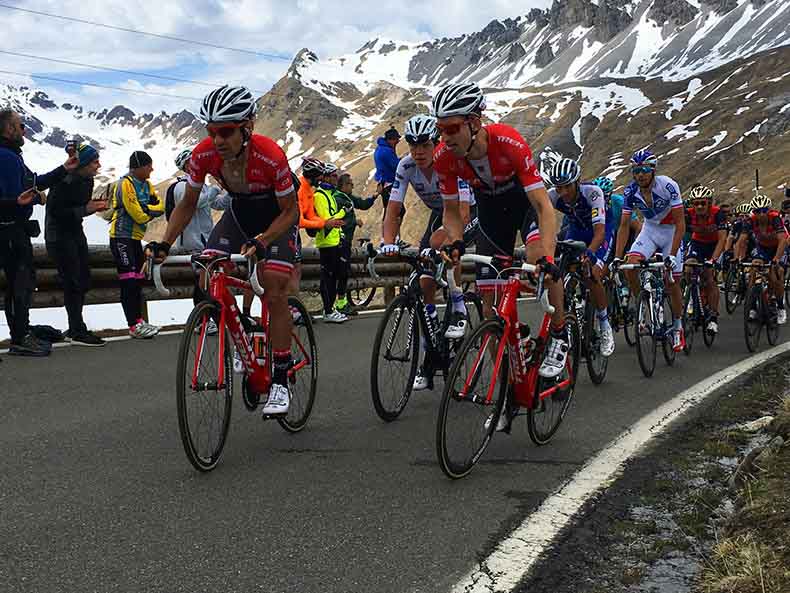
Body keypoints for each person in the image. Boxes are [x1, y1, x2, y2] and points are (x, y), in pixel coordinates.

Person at [150, 85, 299, 416]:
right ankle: (243, 331)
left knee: (273, 288)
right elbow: (187, 204)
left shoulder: (270, 154)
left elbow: (291, 211)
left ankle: (280, 378)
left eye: (227, 131)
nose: (218, 140)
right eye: (212, 131)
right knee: (208, 271)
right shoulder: (203, 154)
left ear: (247, 128)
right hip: (239, 214)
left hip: (277, 218)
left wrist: (263, 240)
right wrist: (163, 243)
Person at [431, 82, 567, 381]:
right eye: (440, 129)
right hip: (492, 214)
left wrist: (547, 254)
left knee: (539, 261)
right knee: (490, 309)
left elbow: (544, 207)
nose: (444, 137)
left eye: (451, 128)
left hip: (525, 206)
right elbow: (452, 212)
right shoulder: (443, 157)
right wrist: (454, 240)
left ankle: (560, 333)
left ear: (474, 122)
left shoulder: (509, 142)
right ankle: (505, 384)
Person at [381, 113, 477, 390]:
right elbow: (393, 210)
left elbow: (461, 212)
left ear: (436, 143)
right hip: (440, 213)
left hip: (467, 211)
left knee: (441, 246)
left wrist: (446, 240)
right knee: (424, 283)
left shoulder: (450, 161)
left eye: (424, 145)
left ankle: (458, 304)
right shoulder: (406, 165)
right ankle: (430, 352)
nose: (418, 151)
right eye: (412, 145)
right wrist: (388, 241)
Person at [0, 108, 78, 356]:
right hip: (11, 232)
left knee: (19, 283)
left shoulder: (11, 156)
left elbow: (34, 184)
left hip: (12, 231)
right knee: (20, 283)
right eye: (21, 126)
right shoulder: (7, 157)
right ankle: (20, 337)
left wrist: (64, 168)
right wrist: (33, 199)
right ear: (10, 130)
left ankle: (21, 331)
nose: (24, 130)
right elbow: (20, 195)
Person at [613, 149, 686, 352]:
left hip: (671, 232)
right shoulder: (630, 191)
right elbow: (625, 225)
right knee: (629, 267)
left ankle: (678, 327)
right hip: (650, 230)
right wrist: (618, 257)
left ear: (653, 170)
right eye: (635, 171)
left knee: (672, 282)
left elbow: (681, 224)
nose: (640, 175)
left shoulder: (669, 186)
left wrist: (671, 254)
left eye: (644, 170)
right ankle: (642, 308)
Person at [548, 159, 614, 357]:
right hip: (575, 232)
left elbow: (600, 232)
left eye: (568, 186)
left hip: (600, 232)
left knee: (591, 273)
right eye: (559, 188)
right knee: (558, 271)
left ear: (577, 182)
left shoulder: (593, 193)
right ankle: (569, 308)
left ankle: (604, 324)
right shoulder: (552, 196)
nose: (564, 192)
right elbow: (541, 220)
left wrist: (590, 253)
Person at [45, 144, 108, 346]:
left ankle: (76, 327)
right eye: (94, 162)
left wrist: (90, 208)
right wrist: (85, 209)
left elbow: (80, 208)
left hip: (75, 232)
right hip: (58, 236)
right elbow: (56, 212)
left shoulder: (87, 180)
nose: (98, 165)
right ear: (83, 164)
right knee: (72, 280)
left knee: (83, 279)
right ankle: (76, 329)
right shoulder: (63, 180)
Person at [169, 148, 230, 324]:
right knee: (201, 282)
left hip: (205, 240)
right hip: (191, 241)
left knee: (207, 281)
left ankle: (206, 318)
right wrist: (214, 190)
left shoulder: (202, 185)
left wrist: (230, 193)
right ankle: (203, 320)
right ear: (187, 165)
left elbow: (217, 204)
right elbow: (194, 203)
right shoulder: (181, 186)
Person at [109, 150, 165, 339]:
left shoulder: (147, 185)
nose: (152, 169)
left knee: (138, 279)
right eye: (149, 165)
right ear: (139, 167)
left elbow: (161, 207)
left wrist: (146, 208)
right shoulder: (125, 184)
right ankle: (133, 325)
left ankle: (139, 321)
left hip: (135, 238)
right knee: (129, 281)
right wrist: (149, 211)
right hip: (120, 237)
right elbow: (138, 215)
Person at [333, 172, 378, 316]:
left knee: (343, 272)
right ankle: (338, 304)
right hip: (339, 241)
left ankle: (341, 303)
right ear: (344, 185)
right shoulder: (338, 199)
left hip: (345, 241)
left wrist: (376, 195)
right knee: (340, 273)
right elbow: (337, 221)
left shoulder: (349, 198)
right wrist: (354, 222)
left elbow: (363, 204)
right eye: (350, 184)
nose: (352, 186)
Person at [684, 185, 727, 334]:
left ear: (709, 203)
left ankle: (714, 318)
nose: (700, 206)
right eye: (696, 203)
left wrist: (713, 260)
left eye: (703, 203)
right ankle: (691, 295)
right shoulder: (688, 214)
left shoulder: (718, 214)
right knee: (688, 268)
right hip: (698, 244)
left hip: (714, 245)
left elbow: (722, 239)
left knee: (709, 277)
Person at [739, 194, 787, 325]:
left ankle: (780, 306)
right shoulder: (750, 220)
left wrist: (776, 258)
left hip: (778, 247)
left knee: (777, 272)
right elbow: (742, 240)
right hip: (762, 248)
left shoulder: (775, 218)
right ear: (753, 212)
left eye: (764, 211)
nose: (761, 214)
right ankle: (753, 305)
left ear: (769, 210)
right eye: (757, 211)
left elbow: (782, 239)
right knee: (754, 269)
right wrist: (738, 258)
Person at [313, 163, 348, 323]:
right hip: (326, 242)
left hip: (334, 240)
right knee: (328, 278)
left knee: (334, 276)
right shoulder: (320, 196)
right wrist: (344, 212)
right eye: (333, 176)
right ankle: (327, 311)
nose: (336, 178)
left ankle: (330, 309)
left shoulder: (330, 194)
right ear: (325, 177)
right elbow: (328, 219)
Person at [374, 126, 401, 213]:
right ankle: (388, 226)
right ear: (391, 140)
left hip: (383, 183)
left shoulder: (380, 148)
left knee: (389, 210)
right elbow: (397, 166)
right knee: (396, 211)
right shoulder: (386, 151)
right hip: (388, 184)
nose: (397, 142)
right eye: (396, 140)